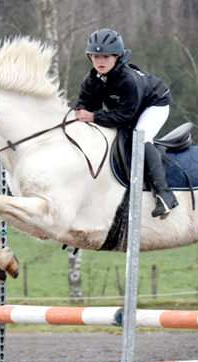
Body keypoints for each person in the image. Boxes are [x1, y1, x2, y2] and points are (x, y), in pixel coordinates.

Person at [75, 29, 179, 219]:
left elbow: (124, 116)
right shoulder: (90, 81)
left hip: (154, 103)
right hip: (129, 109)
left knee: (141, 136)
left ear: (117, 57)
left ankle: (165, 195)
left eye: (106, 56)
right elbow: (85, 109)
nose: (100, 61)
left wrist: (94, 118)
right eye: (96, 56)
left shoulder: (127, 79)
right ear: (89, 57)